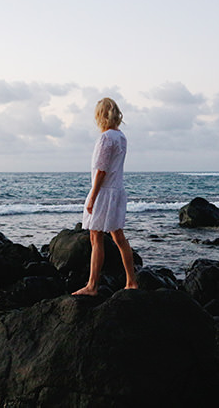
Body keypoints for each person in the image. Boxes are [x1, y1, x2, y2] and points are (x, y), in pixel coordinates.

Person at [73, 98, 139, 296]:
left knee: (96, 237)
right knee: (119, 237)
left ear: (101, 115)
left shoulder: (106, 138)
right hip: (116, 190)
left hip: (104, 191)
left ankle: (92, 285)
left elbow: (101, 170)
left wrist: (92, 196)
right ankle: (131, 281)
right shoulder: (121, 136)